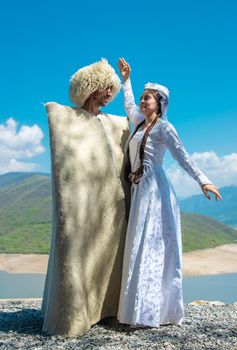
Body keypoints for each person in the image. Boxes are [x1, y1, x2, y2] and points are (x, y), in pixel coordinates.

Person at [117, 57, 222, 328]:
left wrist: (203, 180)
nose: (142, 102)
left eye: (147, 99)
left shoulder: (165, 128)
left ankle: (153, 312)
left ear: (160, 104)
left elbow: (183, 156)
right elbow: (128, 103)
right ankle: (137, 309)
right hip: (140, 191)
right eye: (142, 98)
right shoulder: (139, 122)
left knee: (152, 247)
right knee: (138, 246)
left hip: (156, 194)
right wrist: (126, 79)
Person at [42, 59, 130, 336]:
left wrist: (128, 83)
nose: (109, 94)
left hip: (111, 206)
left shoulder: (113, 123)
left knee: (110, 255)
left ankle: (107, 309)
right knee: (77, 253)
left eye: (111, 89)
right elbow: (71, 167)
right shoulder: (70, 121)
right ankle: (75, 314)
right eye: (105, 88)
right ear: (91, 88)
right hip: (84, 206)